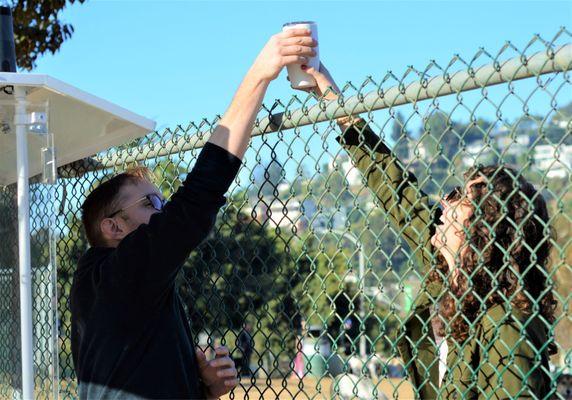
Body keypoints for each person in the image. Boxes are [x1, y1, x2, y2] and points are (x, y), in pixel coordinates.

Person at [71, 28, 317, 400]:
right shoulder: (121, 272)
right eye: (151, 204)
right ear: (114, 226)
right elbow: (198, 197)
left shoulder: (111, 287)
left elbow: (135, 379)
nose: (164, 212)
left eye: (163, 202)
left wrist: (202, 387)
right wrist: (260, 75)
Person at [298, 65, 557, 399]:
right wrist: (332, 101)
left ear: (486, 230)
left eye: (460, 197)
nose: (444, 204)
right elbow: (395, 190)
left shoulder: (506, 325)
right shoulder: (446, 273)